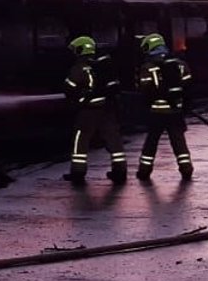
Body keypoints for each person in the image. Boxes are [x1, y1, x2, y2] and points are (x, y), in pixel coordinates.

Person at [62, 34, 127, 184]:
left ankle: (78, 173)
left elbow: (69, 88)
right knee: (113, 139)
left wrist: (75, 98)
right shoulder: (103, 65)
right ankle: (120, 171)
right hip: (107, 108)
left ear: (80, 50)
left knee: (81, 140)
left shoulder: (80, 68)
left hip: (88, 111)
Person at [134, 32, 193, 181]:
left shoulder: (148, 67)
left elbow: (144, 89)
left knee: (151, 142)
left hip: (157, 112)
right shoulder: (179, 64)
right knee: (179, 141)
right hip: (175, 111)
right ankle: (186, 169)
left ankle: (144, 171)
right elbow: (188, 85)